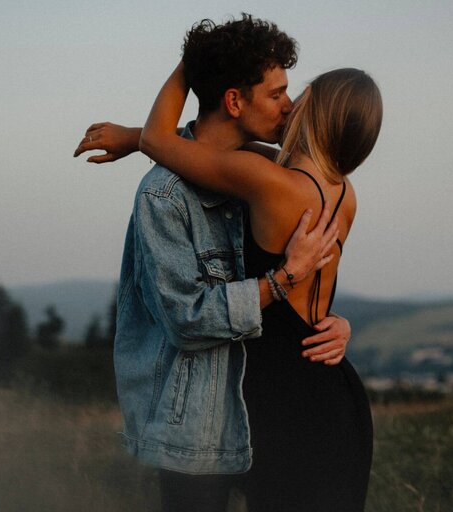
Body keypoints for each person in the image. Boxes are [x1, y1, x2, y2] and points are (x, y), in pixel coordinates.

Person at [74, 15, 353, 512]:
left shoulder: (265, 172)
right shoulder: (164, 195)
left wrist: (329, 323)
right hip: (199, 425)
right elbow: (189, 318)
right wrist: (286, 278)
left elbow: (181, 145)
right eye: (277, 93)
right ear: (233, 101)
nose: (289, 107)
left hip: (268, 408)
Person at [135, 41, 383, 512]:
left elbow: (159, 140)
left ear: (319, 114)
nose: (289, 103)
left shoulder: (267, 181)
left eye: (300, 95)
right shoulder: (343, 192)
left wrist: (197, 59)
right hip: (336, 391)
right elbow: (223, 149)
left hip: (288, 401)